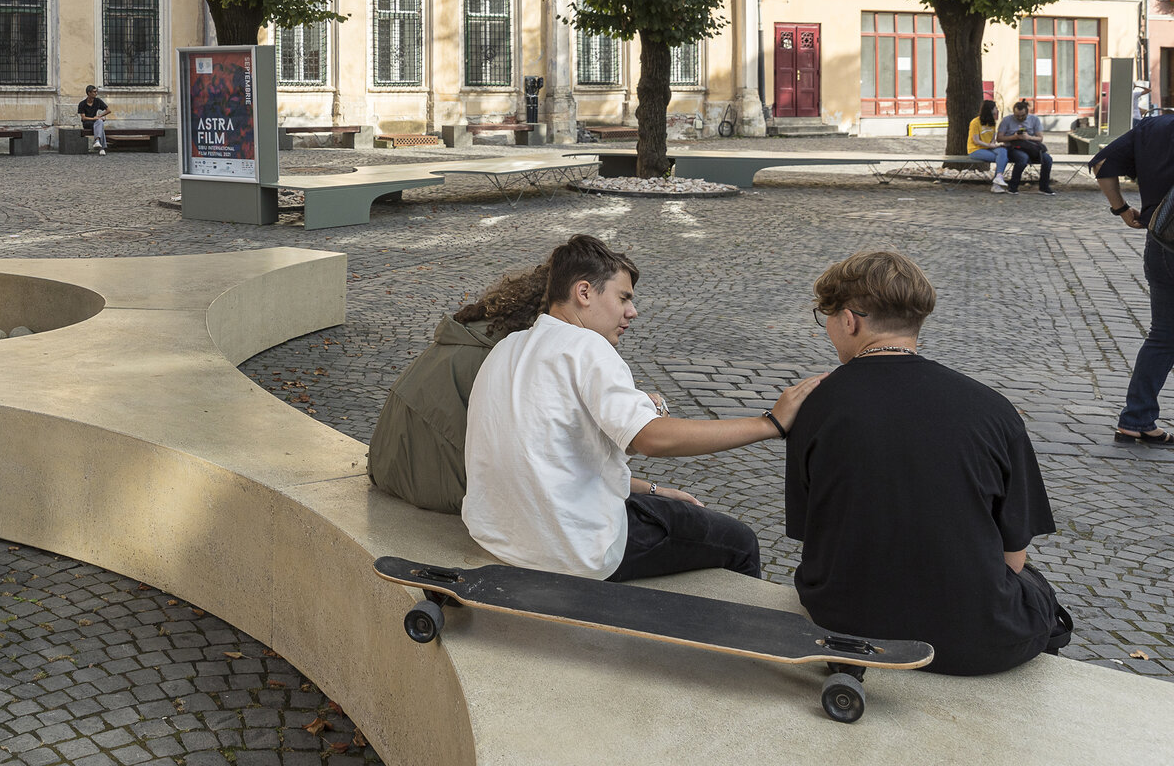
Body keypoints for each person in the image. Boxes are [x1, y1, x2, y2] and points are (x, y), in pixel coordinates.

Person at [463, 234, 821, 582]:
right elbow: (652, 439)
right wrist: (769, 423)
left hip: (497, 535)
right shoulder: (587, 347)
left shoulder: (508, 347)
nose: (632, 312)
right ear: (584, 292)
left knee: (673, 511)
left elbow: (551, 460)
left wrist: (653, 490)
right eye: (623, 298)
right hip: (572, 550)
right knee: (740, 541)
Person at [786, 250, 1070, 675]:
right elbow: (1013, 557)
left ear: (850, 320)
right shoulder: (992, 409)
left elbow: (813, 534)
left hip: (847, 620)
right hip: (976, 640)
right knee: (1036, 589)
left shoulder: (813, 405)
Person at [368, 265, 548, 514]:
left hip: (387, 462)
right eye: (621, 298)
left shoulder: (483, 329)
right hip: (425, 478)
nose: (624, 312)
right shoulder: (511, 350)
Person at [1091, 112, 1174, 445]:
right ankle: (1137, 416)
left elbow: (1101, 166)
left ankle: (1136, 419)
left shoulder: (1153, 127)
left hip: (1161, 242)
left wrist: (1122, 210)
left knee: (1164, 336)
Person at [995, 99, 1055, 195]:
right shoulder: (1007, 120)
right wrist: (1014, 137)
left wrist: (1028, 137)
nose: (1019, 118)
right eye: (1017, 116)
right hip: (1014, 147)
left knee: (1047, 159)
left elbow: (1040, 138)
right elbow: (999, 138)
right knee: (1023, 158)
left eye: (1022, 116)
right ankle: (1013, 186)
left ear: (1027, 113)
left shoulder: (1034, 119)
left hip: (1031, 147)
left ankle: (1044, 187)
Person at [966, 99, 1010, 194]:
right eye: (995, 108)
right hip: (975, 150)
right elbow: (976, 140)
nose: (997, 110)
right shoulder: (975, 122)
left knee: (1003, 151)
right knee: (1002, 158)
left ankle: (998, 177)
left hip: (988, 148)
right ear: (989, 109)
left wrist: (996, 145)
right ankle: (996, 185)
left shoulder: (992, 123)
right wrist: (990, 145)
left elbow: (992, 139)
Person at [77, 85, 113, 155]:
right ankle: (101, 148)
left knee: (99, 122)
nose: (96, 93)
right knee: (100, 123)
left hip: (95, 122)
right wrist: (94, 118)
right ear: (89, 93)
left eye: (96, 91)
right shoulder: (82, 104)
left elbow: (108, 110)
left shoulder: (97, 101)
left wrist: (99, 116)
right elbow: (83, 118)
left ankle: (97, 141)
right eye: (94, 92)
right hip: (87, 123)